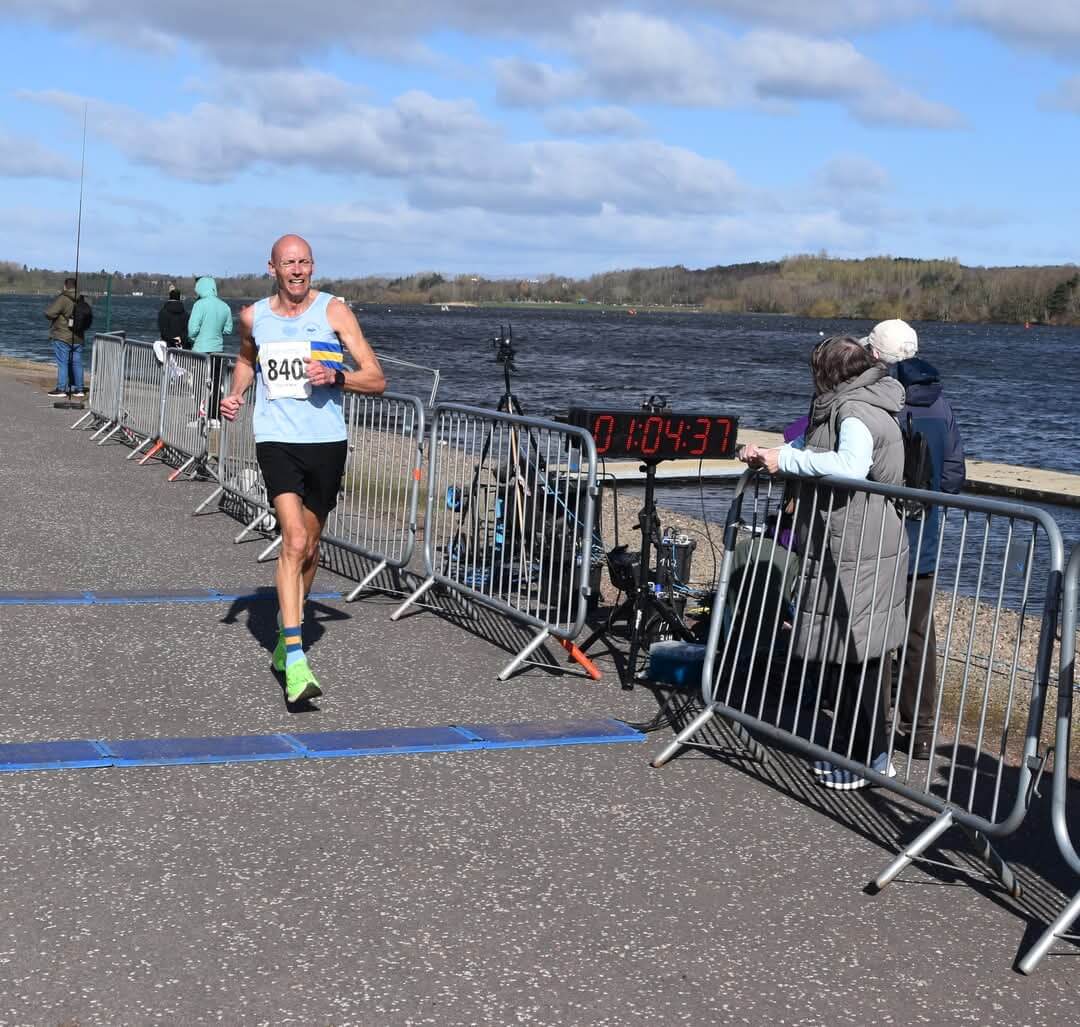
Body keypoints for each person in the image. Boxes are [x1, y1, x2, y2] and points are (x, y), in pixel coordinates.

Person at [220, 234, 386, 704]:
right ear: (271, 267)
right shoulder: (253, 316)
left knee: (310, 548)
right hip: (276, 440)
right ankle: (295, 659)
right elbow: (246, 360)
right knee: (292, 540)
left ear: (312, 267)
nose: (297, 270)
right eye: (289, 263)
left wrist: (338, 376)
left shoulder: (334, 311)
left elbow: (376, 377)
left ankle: (284, 633)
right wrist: (235, 394)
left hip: (326, 442)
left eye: (305, 262)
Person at [741, 336, 909, 789]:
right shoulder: (849, 404)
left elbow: (851, 466)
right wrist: (772, 456)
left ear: (828, 373)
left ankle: (867, 759)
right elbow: (811, 448)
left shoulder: (853, 409)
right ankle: (860, 752)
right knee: (850, 650)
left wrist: (786, 458)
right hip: (852, 541)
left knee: (858, 653)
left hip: (860, 544)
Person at [862, 319, 966, 760]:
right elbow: (954, 477)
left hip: (878, 539)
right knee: (919, 637)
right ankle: (920, 731)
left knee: (872, 632)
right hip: (923, 541)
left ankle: (874, 726)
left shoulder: (877, 401)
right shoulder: (941, 404)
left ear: (876, 356)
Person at [188, 276, 233, 419]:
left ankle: (201, 413)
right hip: (218, 351)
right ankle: (214, 416)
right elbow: (228, 329)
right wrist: (216, 331)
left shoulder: (199, 305)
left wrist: (194, 337)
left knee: (197, 383)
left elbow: (192, 330)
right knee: (216, 383)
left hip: (200, 350)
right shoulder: (225, 306)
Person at [44, 277, 85, 398]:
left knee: (63, 363)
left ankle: (61, 389)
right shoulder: (83, 299)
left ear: (65, 286)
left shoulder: (63, 298)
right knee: (77, 363)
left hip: (63, 336)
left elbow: (49, 313)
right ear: (76, 286)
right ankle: (79, 389)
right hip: (78, 336)